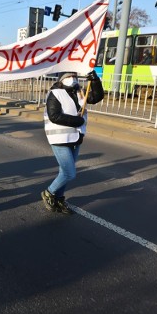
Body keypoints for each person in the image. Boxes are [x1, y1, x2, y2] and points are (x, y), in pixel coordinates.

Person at [41, 71, 104, 214]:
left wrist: (95, 80)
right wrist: (78, 121)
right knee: (70, 173)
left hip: (76, 138)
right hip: (59, 139)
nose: (73, 79)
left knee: (65, 171)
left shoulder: (79, 91)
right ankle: (48, 193)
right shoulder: (55, 93)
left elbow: (96, 97)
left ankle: (58, 198)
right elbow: (54, 116)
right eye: (69, 77)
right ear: (62, 79)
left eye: (74, 76)